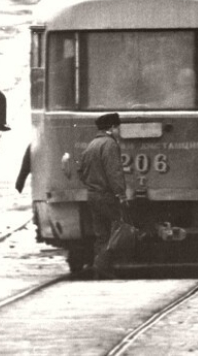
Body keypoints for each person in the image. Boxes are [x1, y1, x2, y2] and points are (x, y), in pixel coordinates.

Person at [79, 112, 125, 276]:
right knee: (118, 229)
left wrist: (91, 185)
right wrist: (120, 193)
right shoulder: (110, 144)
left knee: (101, 234)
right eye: (118, 128)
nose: (119, 131)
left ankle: (101, 269)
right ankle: (103, 265)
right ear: (112, 128)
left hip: (92, 195)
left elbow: (80, 171)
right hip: (107, 196)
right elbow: (114, 172)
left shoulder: (92, 144)